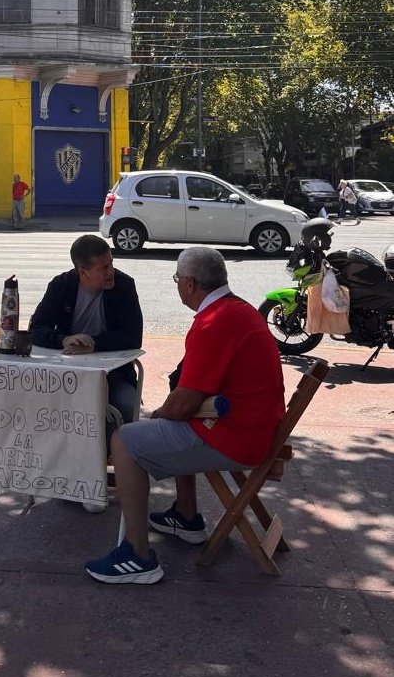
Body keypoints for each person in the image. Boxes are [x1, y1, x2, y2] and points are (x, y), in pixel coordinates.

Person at [85, 247, 285, 584]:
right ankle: (187, 516)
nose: (178, 285)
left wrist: (162, 415)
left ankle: (138, 554)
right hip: (254, 426)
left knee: (125, 440)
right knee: (166, 424)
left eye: (178, 280)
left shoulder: (213, 323)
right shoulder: (238, 309)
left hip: (236, 437)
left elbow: (182, 406)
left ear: (190, 284)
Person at [29, 234, 143, 508]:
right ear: (83, 272)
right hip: (67, 376)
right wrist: (63, 340)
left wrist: (94, 345)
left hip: (113, 373)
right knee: (43, 409)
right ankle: (73, 473)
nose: (110, 272)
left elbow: (132, 336)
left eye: (111, 263)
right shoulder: (61, 286)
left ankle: (92, 474)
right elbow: (36, 328)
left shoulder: (124, 286)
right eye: (103, 268)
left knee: (126, 408)